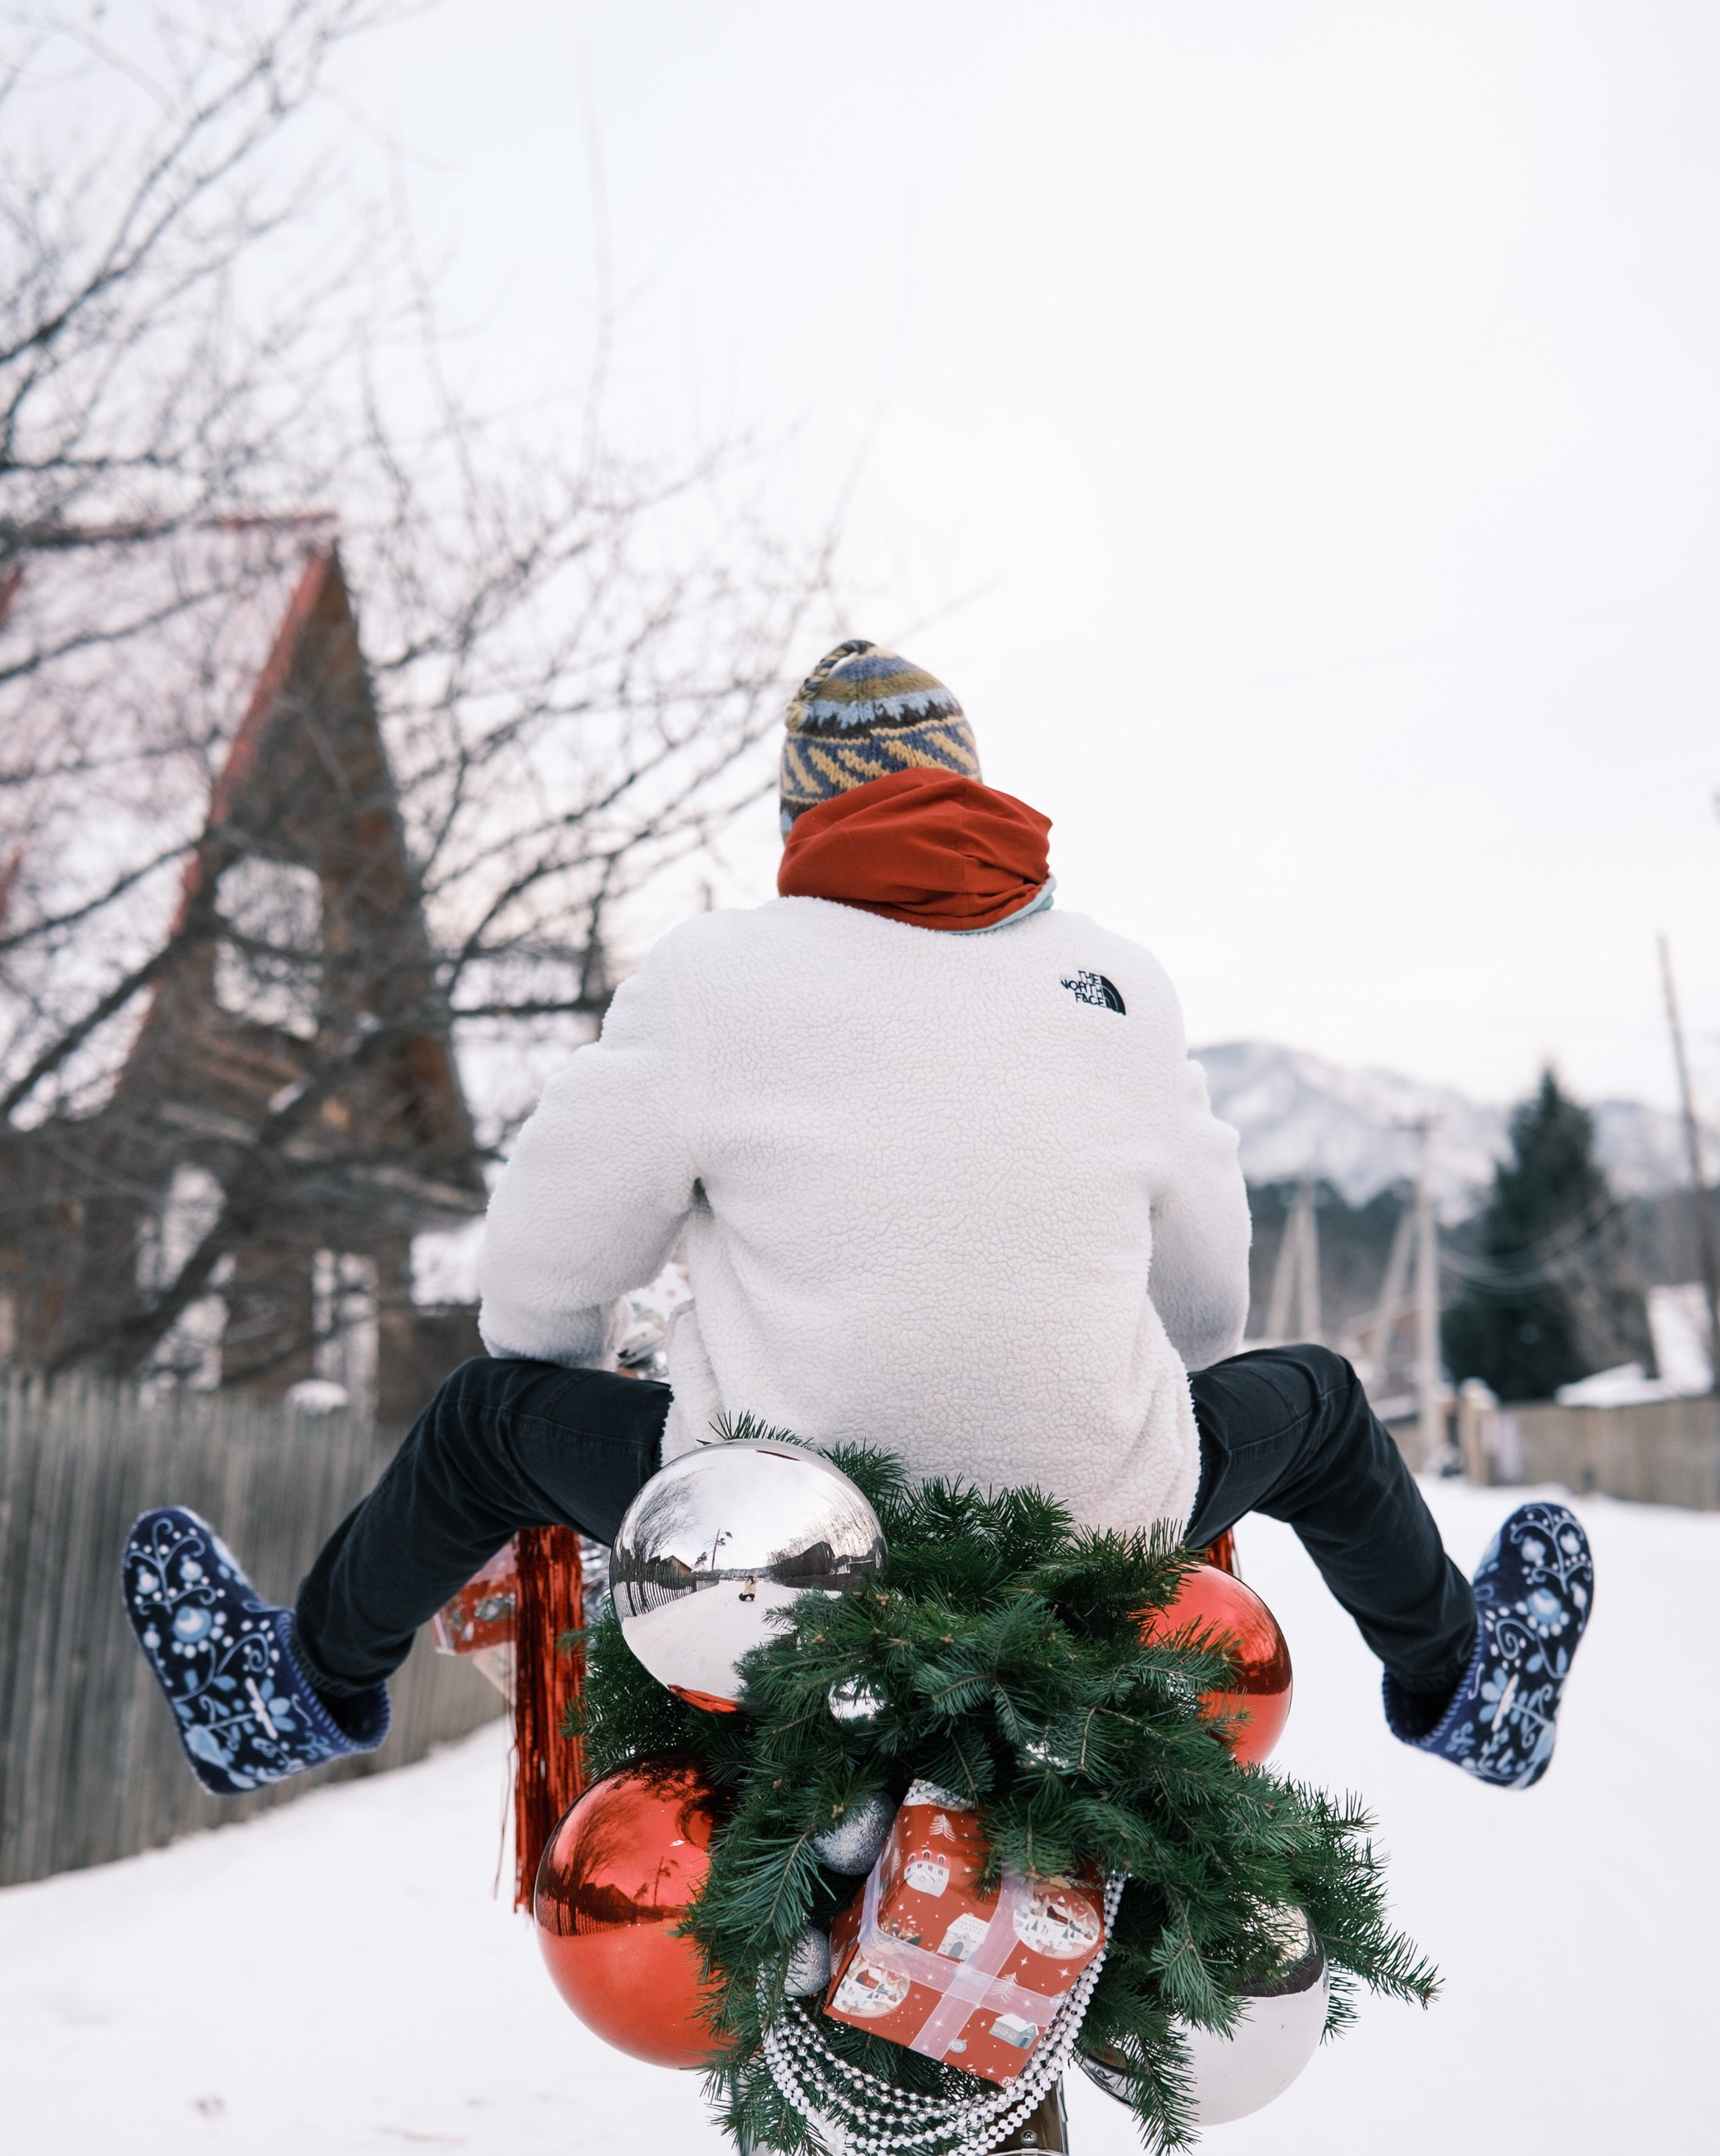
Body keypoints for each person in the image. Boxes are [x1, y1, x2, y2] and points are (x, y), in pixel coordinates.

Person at [122, 640, 1591, 1800]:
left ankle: (288, 1695)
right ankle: (1469, 1691)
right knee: (1318, 1400)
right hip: (1101, 1521)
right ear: (976, 793)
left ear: (798, 823)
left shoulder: (714, 977)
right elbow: (1208, 1320)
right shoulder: (1120, 984)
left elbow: (538, 1293)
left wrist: (601, 1370)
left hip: (776, 1545)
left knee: (481, 1421)